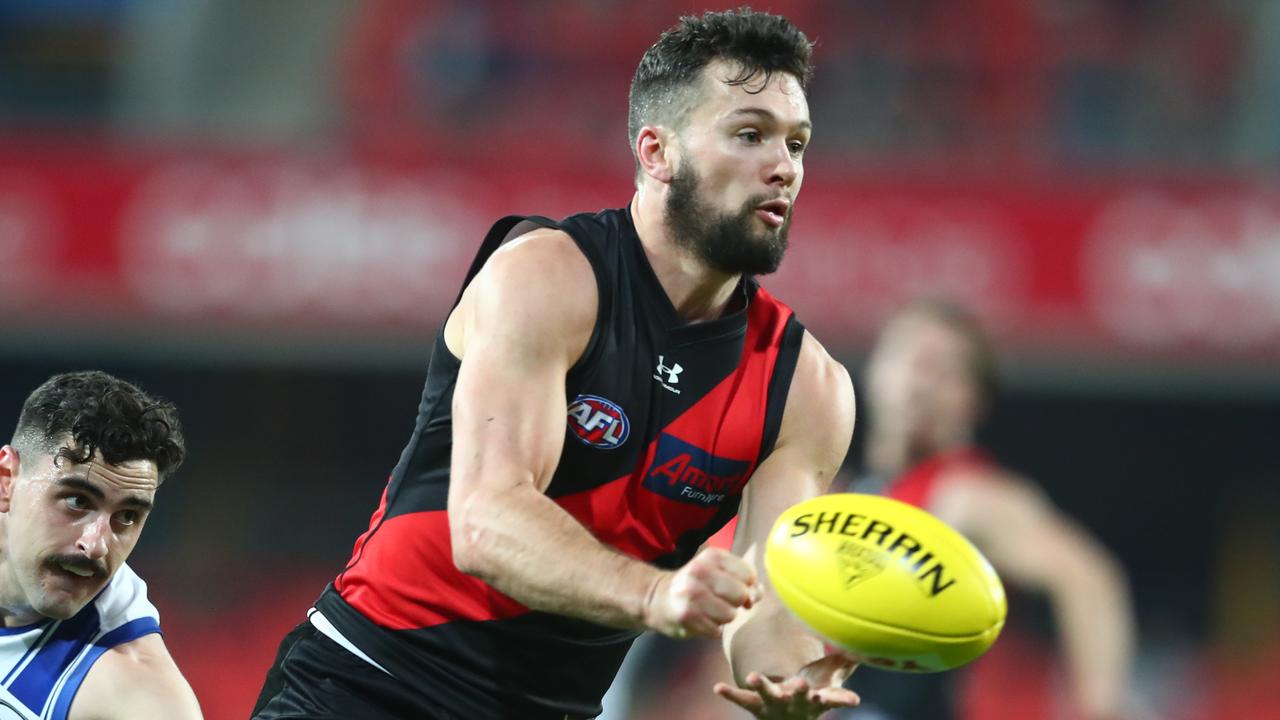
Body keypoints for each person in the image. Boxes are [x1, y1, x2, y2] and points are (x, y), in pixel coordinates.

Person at [252, 8, 861, 720]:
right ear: (657, 153)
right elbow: (487, 523)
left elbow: (765, 610)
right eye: (750, 134)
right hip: (366, 683)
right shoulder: (546, 278)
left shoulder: (807, 389)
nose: (783, 166)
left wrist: (785, 683)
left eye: (797, 142)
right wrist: (654, 594)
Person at [833, 298, 1139, 720]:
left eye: (944, 368)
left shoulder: (968, 496)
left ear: (973, 400)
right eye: (911, 356)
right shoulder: (845, 496)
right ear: (874, 372)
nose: (922, 379)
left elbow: (1088, 579)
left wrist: (1102, 706)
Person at [0, 370, 202, 719]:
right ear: (6, 482)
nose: (95, 546)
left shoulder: (140, 698)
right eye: (77, 501)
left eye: (127, 516)